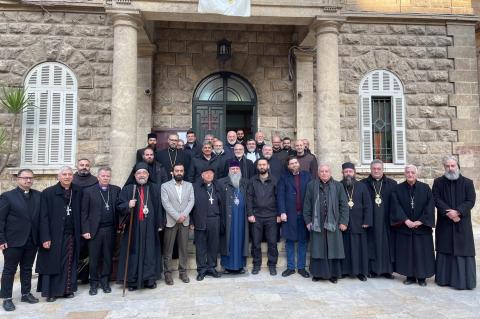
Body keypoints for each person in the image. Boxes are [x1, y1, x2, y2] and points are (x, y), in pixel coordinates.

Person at [36, 166, 82, 302]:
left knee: (68, 263)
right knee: (52, 263)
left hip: (71, 235)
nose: (67, 177)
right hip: (53, 235)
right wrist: (45, 237)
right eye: (64, 174)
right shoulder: (48, 193)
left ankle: (67, 290)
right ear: (58, 176)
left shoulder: (78, 191)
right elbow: (42, 217)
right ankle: (50, 292)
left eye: (69, 174)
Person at [116, 162, 164, 291]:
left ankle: (149, 279)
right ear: (134, 175)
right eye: (139, 173)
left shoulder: (154, 188)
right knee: (133, 252)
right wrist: (128, 205)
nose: (142, 175)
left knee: (150, 252)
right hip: (134, 226)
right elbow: (119, 206)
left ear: (148, 175)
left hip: (150, 226)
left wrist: (160, 223)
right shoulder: (128, 189)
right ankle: (132, 281)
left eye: (144, 173)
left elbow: (159, 207)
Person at [433, 156, 476, 290]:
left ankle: (464, 282)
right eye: (447, 166)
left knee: (463, 250)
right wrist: (449, 213)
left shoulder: (468, 182)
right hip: (445, 222)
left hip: (462, 223)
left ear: (457, 166)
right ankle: (444, 280)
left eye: (453, 166)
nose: (450, 169)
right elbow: (435, 198)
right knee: (445, 249)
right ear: (444, 167)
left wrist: (458, 212)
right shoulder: (438, 182)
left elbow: (470, 200)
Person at [0, 169, 40, 311]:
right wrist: (1, 239)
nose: (28, 180)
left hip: (32, 240)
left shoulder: (38, 195)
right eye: (25, 178)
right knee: (9, 270)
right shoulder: (7, 196)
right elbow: (1, 219)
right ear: (18, 179)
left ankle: (26, 293)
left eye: (30, 178)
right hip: (12, 240)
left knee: (27, 268)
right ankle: (7, 298)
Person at [391, 164, 435, 287]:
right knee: (407, 252)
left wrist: (420, 221)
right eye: (408, 172)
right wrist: (406, 221)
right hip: (405, 227)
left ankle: (422, 277)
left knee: (421, 253)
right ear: (405, 174)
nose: (410, 175)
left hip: (422, 228)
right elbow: (395, 206)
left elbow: (430, 206)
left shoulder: (425, 188)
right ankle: (409, 276)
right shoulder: (398, 188)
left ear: (417, 174)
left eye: (412, 172)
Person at [303, 163, 348, 284]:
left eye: (326, 171)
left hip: (334, 222)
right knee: (318, 248)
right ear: (318, 173)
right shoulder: (311, 185)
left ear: (330, 172)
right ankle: (317, 274)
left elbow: (344, 205)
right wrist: (307, 221)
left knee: (332, 248)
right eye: (321, 171)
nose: (324, 173)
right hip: (317, 223)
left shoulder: (338, 186)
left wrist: (344, 222)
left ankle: (333, 274)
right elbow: (307, 204)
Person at [80, 167, 121, 295]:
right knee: (94, 258)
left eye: (108, 176)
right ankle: (93, 283)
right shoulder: (88, 191)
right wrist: (85, 230)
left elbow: (119, 209)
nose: (105, 178)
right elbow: (84, 213)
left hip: (110, 229)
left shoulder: (115, 190)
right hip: (94, 230)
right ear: (98, 177)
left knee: (108, 257)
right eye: (103, 176)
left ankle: (105, 281)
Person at [360, 159, 396, 279]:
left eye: (379, 169)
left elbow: (395, 204)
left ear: (383, 169)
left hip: (386, 221)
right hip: (371, 222)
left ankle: (387, 270)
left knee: (386, 246)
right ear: (370, 170)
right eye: (374, 169)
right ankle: (372, 270)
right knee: (371, 245)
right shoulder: (363, 184)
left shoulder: (392, 184)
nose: (376, 171)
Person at [277, 157, 311, 278]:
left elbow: (311, 194)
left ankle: (301, 268)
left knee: (302, 241)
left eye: (296, 162)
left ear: (299, 164)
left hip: (304, 214)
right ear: (288, 166)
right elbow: (280, 195)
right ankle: (290, 267)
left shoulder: (307, 176)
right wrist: (282, 212)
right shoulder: (283, 177)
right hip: (289, 214)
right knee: (290, 241)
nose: (294, 165)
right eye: (291, 163)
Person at [161, 164, 195, 285]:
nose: (179, 172)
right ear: (172, 172)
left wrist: (184, 215)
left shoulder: (189, 185)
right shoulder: (165, 186)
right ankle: (168, 274)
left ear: (184, 172)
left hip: (184, 221)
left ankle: (183, 272)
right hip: (171, 221)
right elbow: (165, 203)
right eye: (177, 171)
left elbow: (191, 201)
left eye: (181, 170)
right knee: (168, 250)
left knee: (183, 249)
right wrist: (177, 216)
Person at [340, 162, 372, 281]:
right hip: (344, 224)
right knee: (345, 248)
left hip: (359, 223)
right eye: (346, 172)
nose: (348, 174)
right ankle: (344, 271)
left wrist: (367, 220)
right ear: (342, 173)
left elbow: (368, 205)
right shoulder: (338, 185)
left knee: (359, 249)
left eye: (350, 171)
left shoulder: (362, 186)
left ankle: (360, 272)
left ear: (354, 173)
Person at [247, 158, 279, 276]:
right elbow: (249, 198)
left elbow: (278, 198)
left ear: (268, 166)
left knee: (272, 242)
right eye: (260, 165)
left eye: (264, 164)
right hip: (256, 216)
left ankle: (272, 265)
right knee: (256, 242)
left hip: (271, 216)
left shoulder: (274, 180)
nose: (262, 166)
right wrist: (250, 213)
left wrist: (279, 214)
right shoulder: (252, 180)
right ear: (257, 167)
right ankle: (256, 264)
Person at [191, 167, 224, 281]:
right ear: (202, 175)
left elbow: (222, 205)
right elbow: (190, 204)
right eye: (206, 174)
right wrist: (191, 221)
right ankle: (201, 269)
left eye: (211, 174)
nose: (209, 176)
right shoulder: (195, 187)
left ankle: (211, 267)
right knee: (200, 247)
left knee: (213, 245)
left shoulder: (217, 187)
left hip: (215, 220)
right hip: (200, 219)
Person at [218, 161, 249, 274]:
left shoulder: (245, 182)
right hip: (228, 217)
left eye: (236, 168)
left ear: (239, 170)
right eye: (232, 169)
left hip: (242, 218)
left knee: (241, 240)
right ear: (229, 170)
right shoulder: (221, 183)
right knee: (228, 241)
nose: (234, 171)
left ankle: (241, 265)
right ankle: (226, 266)